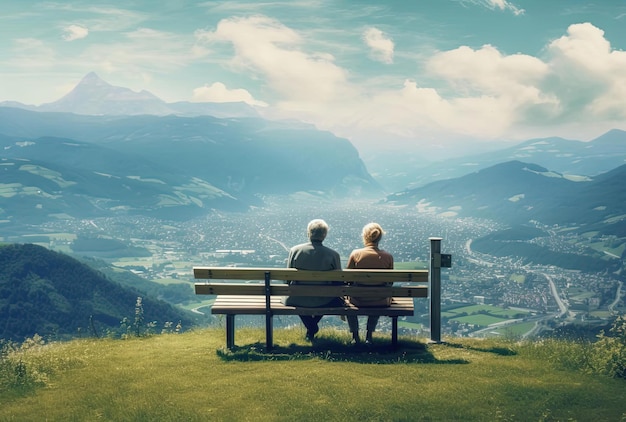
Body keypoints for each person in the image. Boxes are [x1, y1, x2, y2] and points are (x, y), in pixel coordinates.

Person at [282, 219, 344, 341]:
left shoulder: (295, 251)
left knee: (297, 297)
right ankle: (312, 326)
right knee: (330, 297)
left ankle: (311, 326)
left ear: (308, 233)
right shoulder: (333, 255)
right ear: (324, 235)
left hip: (297, 298)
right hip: (324, 299)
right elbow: (338, 282)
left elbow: (287, 279)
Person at [346, 222, 394, 345]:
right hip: (380, 300)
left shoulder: (356, 254)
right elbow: (390, 281)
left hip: (357, 299)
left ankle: (355, 336)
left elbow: (347, 278)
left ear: (365, 237)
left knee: (348, 300)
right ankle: (369, 336)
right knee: (378, 292)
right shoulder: (388, 257)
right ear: (380, 238)